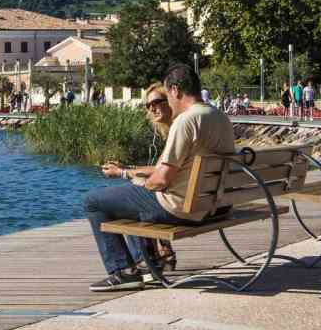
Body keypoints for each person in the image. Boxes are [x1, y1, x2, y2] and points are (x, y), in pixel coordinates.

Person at [84, 64, 235, 291]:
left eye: (166, 96)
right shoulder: (219, 116)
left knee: (93, 201)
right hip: (213, 206)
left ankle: (123, 271)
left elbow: (162, 180)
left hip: (181, 209)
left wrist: (141, 181)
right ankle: (148, 264)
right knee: (128, 196)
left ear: (174, 90)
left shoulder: (187, 121)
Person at [101, 82, 180, 273]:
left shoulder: (179, 130)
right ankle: (157, 254)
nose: (151, 108)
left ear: (170, 100)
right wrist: (129, 168)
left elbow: (160, 175)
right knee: (135, 190)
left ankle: (144, 261)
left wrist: (121, 173)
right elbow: (159, 168)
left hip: (178, 206)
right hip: (197, 202)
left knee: (122, 203)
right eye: (147, 105)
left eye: (156, 102)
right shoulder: (175, 129)